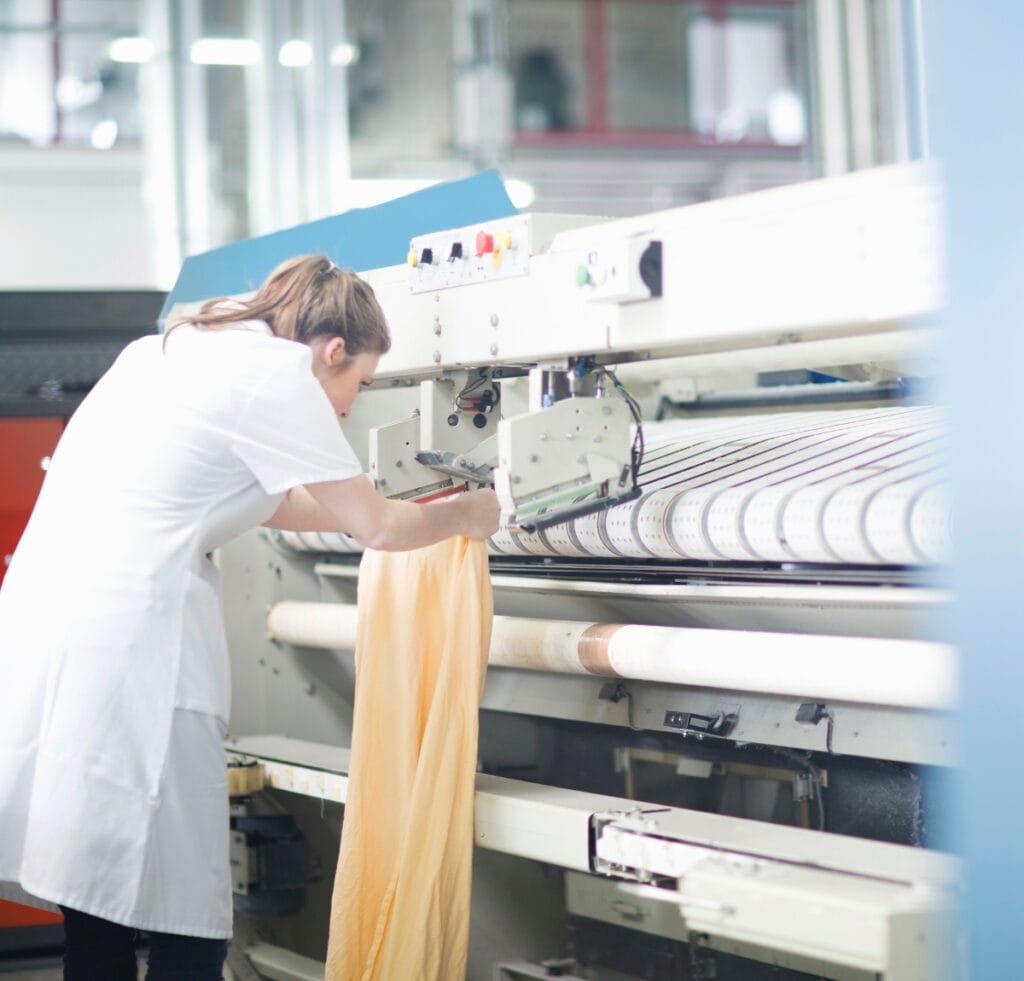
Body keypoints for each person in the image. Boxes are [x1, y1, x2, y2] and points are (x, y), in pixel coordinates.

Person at [0, 254, 500, 979]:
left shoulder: (167, 351)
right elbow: (380, 531)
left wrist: (411, 508)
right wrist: (478, 510)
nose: (350, 406)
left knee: (98, 901)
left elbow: (270, 501)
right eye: (357, 385)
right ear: (332, 351)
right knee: (188, 915)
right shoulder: (278, 375)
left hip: (56, 636)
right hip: (137, 654)